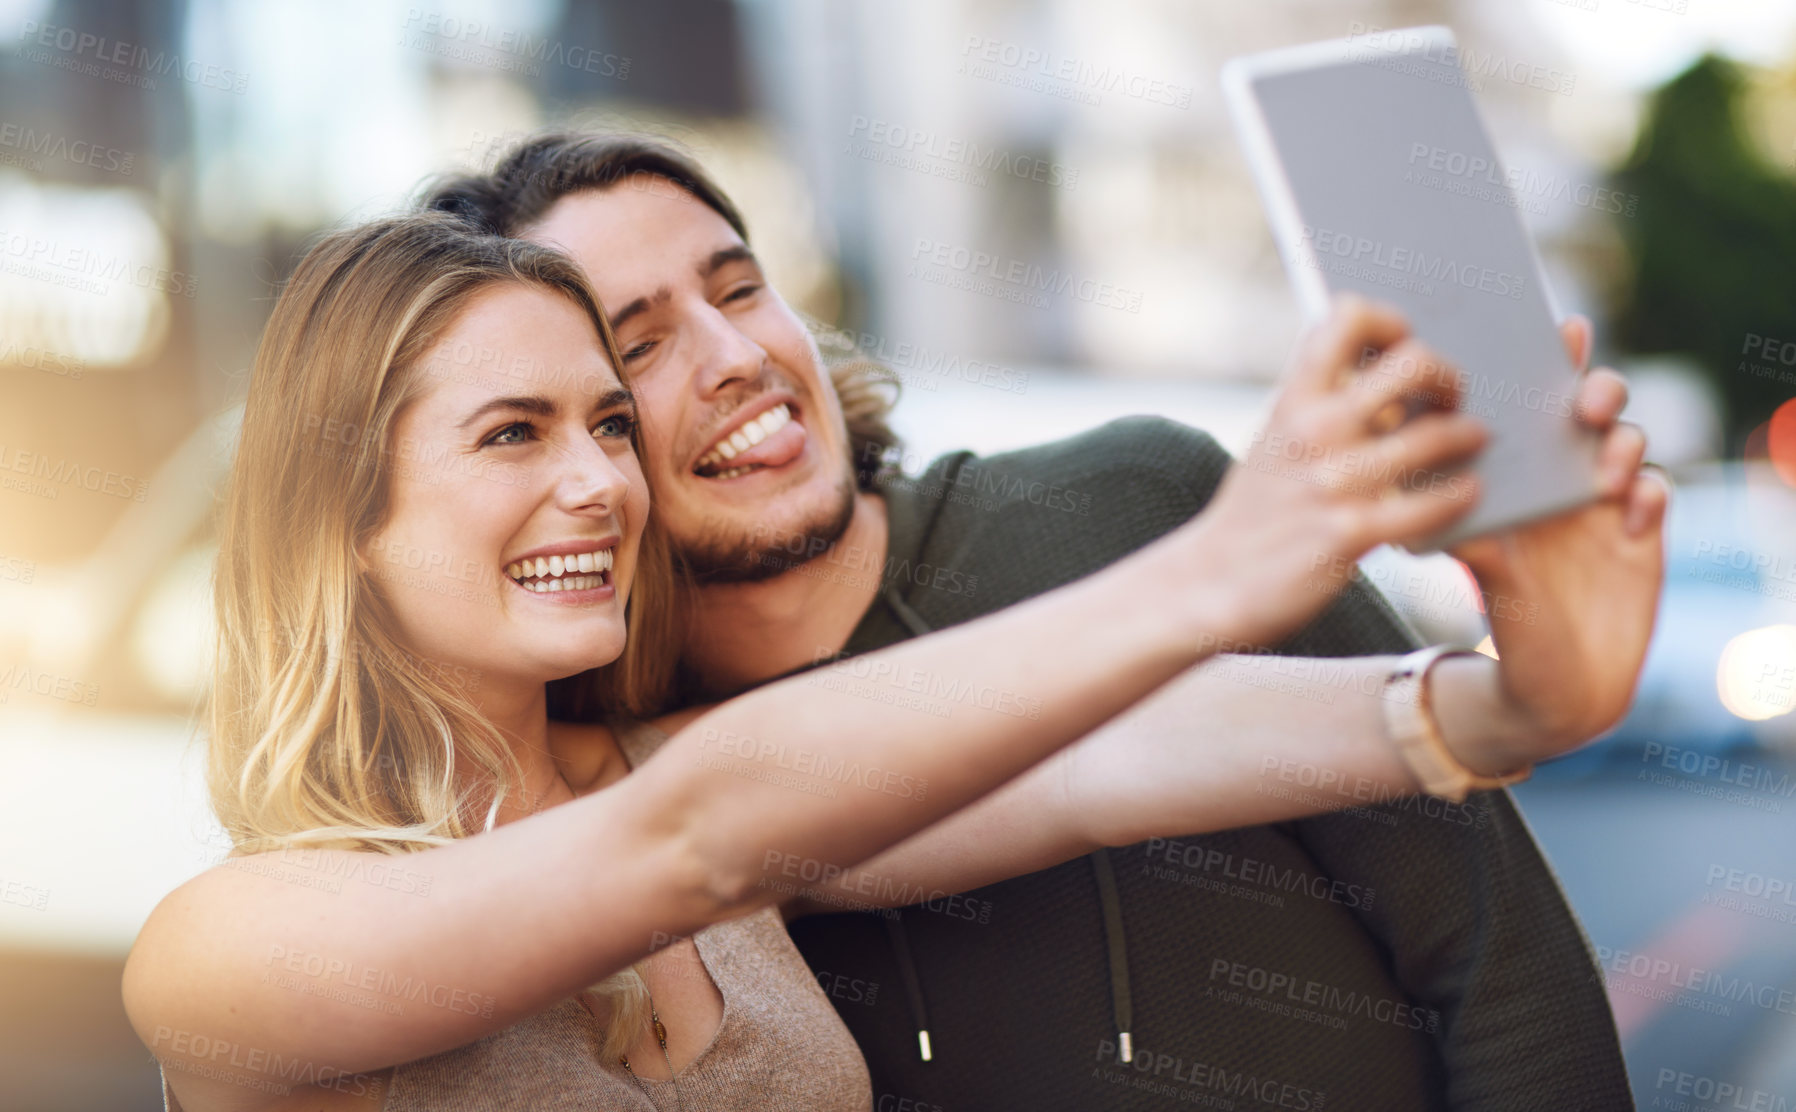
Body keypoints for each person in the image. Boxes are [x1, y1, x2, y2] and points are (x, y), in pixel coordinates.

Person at [122, 208, 1563, 1111]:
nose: (604, 485)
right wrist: (1221, 560)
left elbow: (1104, 763)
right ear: (343, 517)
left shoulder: (673, 772)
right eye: (514, 434)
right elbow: (694, 843)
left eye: (608, 425)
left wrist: (1499, 697)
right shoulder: (227, 947)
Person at [415, 133, 1667, 1110]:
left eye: (739, 288)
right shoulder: (642, 782)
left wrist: (1519, 694)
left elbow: (1494, 948)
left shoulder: (1133, 499)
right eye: (640, 347)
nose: (733, 354)